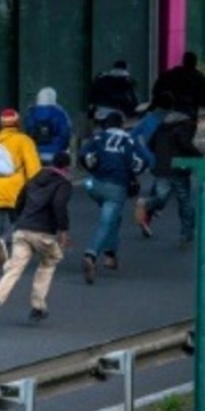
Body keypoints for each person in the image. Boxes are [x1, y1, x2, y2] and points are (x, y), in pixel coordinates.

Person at [0, 151, 72, 330]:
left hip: (22, 229)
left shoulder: (34, 179)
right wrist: (63, 230)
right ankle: (38, 305)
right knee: (51, 259)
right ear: (66, 168)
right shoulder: (63, 184)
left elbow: (18, 202)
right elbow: (59, 205)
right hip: (44, 233)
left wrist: (19, 221)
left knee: (14, 270)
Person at [78, 111, 153, 285]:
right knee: (107, 221)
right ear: (121, 124)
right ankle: (91, 254)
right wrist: (132, 173)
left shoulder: (98, 138)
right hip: (116, 187)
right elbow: (144, 161)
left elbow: (83, 155)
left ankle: (111, 255)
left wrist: (93, 169)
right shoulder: (129, 140)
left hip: (94, 185)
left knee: (114, 219)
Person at [0, 108, 41, 276]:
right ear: (17, 123)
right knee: (20, 224)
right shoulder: (24, 141)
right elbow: (34, 169)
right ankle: (6, 244)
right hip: (17, 191)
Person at [134, 94, 202, 244]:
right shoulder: (187, 123)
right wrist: (198, 156)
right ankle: (186, 233)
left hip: (161, 165)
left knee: (161, 196)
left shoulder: (163, 123)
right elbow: (184, 142)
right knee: (184, 200)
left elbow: (151, 143)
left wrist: (160, 155)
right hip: (178, 166)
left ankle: (147, 203)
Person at [150, 51, 205, 122]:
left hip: (166, 113)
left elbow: (155, 91)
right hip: (188, 114)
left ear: (183, 61)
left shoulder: (169, 75)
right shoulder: (199, 78)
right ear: (195, 63)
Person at [23, 87, 73, 166]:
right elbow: (66, 133)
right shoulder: (60, 113)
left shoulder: (31, 112)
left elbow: (28, 132)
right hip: (55, 153)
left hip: (35, 153)